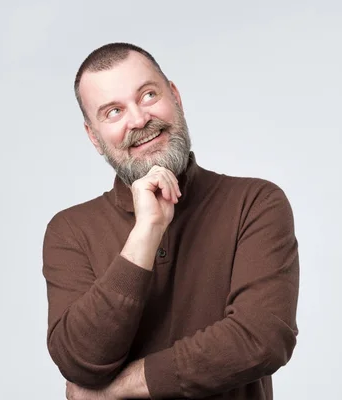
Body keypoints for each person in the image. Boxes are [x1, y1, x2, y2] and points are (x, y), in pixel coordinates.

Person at [42, 42, 300, 400]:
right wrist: (145, 233)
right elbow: (80, 361)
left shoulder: (254, 203)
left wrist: (119, 388)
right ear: (94, 137)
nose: (138, 119)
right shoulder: (70, 231)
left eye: (148, 95)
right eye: (113, 112)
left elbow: (262, 338)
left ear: (175, 96)